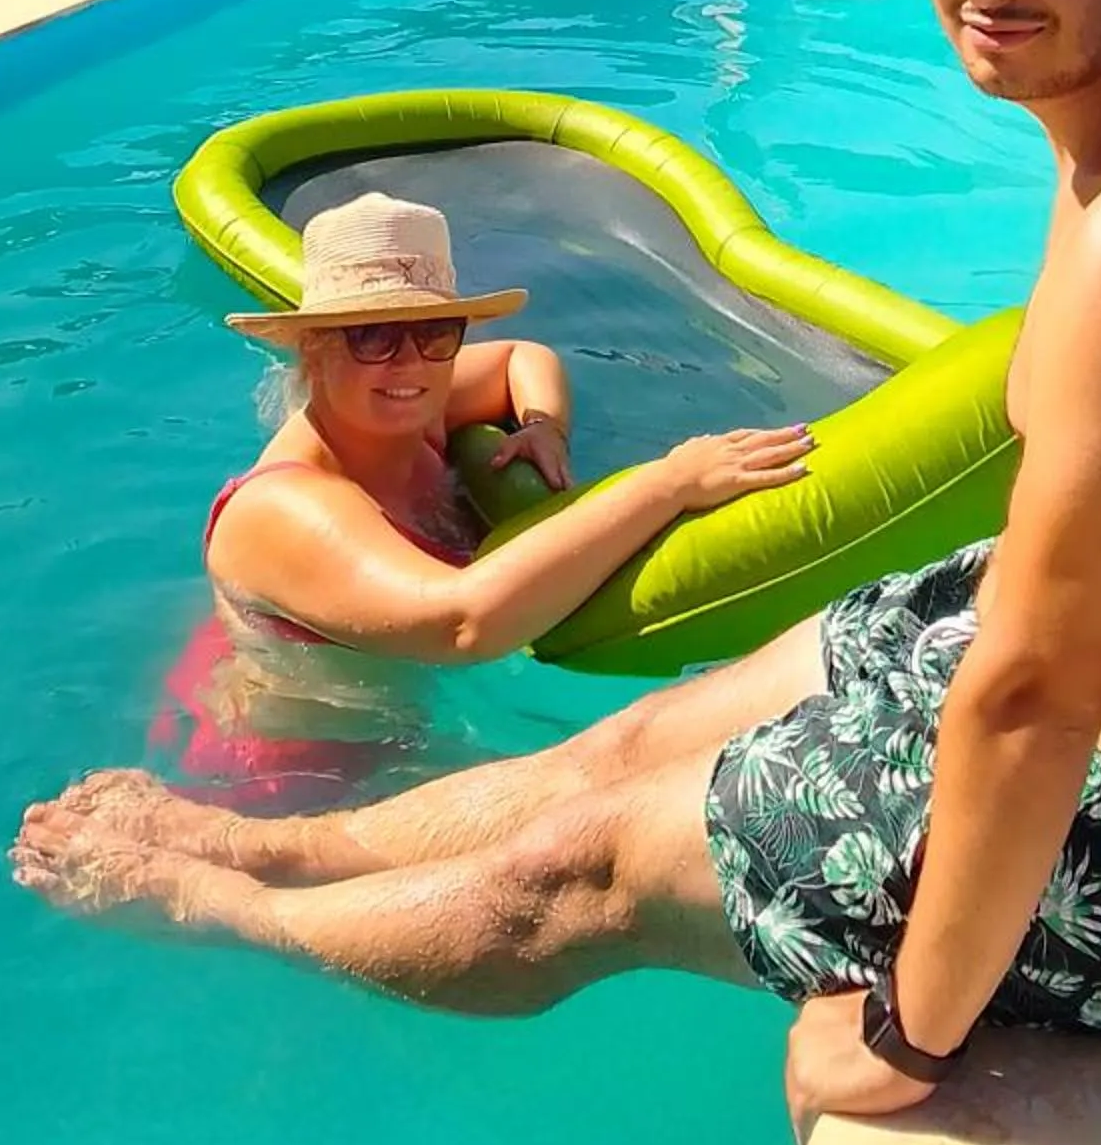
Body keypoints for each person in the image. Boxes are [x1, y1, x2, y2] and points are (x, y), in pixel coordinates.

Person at [17, 0, 1101, 1135]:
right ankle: (284, 849)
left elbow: (1035, 699)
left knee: (579, 872)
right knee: (626, 744)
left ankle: (214, 903)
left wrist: (905, 1032)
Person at [147, 191, 810, 802]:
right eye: (371, 336)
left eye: (436, 332)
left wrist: (542, 428)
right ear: (311, 350)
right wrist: (667, 484)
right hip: (280, 784)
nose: (409, 363)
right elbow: (462, 625)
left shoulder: (406, 409)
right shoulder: (285, 509)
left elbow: (524, 356)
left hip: (388, 731)